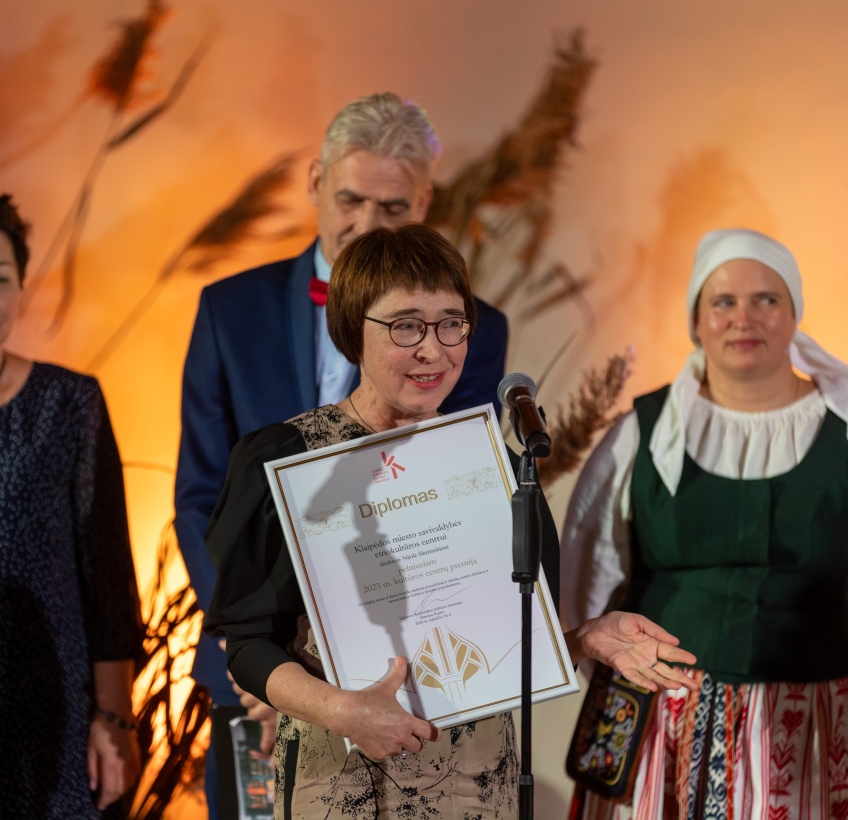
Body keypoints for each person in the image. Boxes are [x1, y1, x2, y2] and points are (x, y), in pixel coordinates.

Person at [203, 223, 697, 819]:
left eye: (451, 323)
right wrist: (344, 711)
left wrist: (583, 639)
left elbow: (506, 648)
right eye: (406, 325)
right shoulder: (290, 458)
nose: (433, 349)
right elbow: (248, 644)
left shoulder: (496, 464)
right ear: (352, 331)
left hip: (477, 783)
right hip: (339, 783)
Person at [174, 92, 508, 816]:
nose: (366, 224)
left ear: (423, 200)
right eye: (351, 198)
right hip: (267, 673)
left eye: (392, 209)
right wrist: (271, 671)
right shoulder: (231, 309)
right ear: (317, 183)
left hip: (428, 700)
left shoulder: (475, 338)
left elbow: (451, 508)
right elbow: (202, 498)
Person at [560, 227, 848, 819]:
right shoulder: (642, 432)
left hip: (814, 722)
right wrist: (580, 647)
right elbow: (587, 572)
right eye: (723, 301)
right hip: (661, 724)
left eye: (766, 299)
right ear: (697, 320)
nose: (744, 318)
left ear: (794, 313)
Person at [0, 194, 144, 817]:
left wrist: (115, 720)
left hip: (53, 708)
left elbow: (106, 576)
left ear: (21, 287)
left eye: (1, 280)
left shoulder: (69, 404)